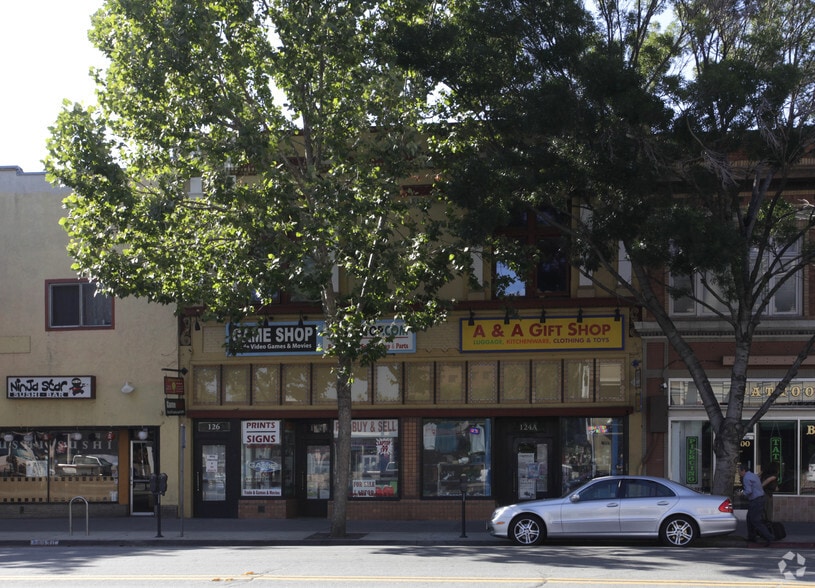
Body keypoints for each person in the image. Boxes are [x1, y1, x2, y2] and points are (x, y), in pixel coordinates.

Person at [739, 464, 773, 545]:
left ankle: (768, 537)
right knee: (749, 518)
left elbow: (749, 491)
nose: (739, 473)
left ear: (743, 470)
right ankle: (752, 537)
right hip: (760, 498)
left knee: (755, 520)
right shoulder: (753, 475)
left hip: (756, 500)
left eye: (739, 471)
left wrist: (741, 494)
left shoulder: (746, 478)